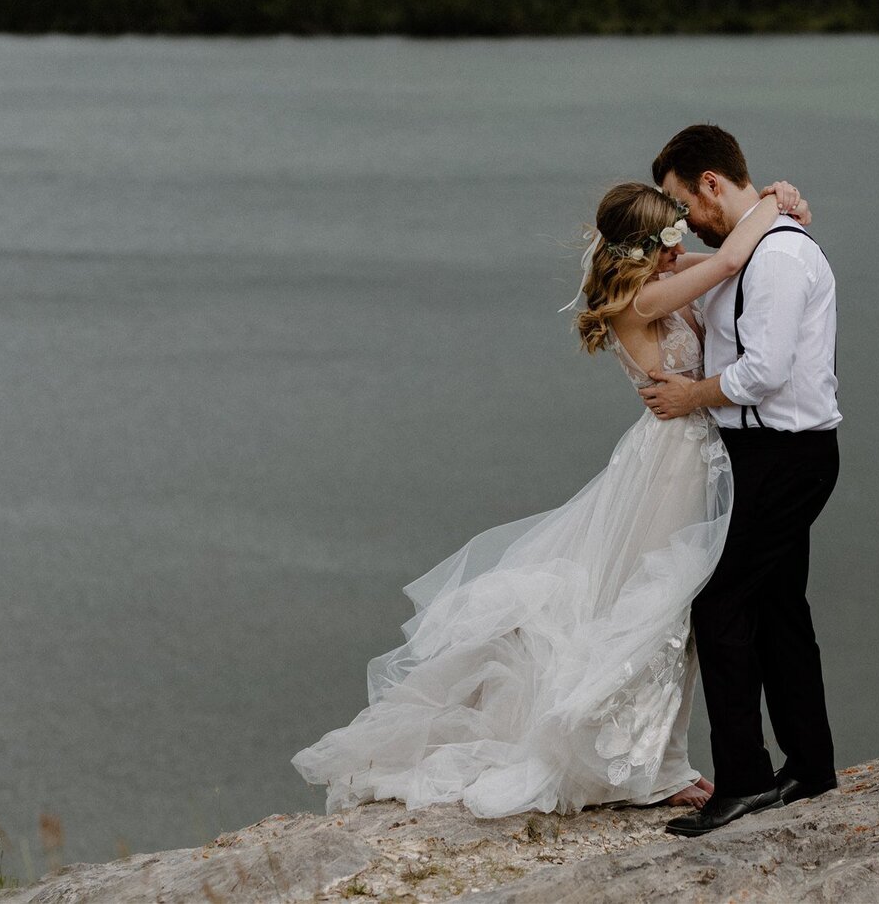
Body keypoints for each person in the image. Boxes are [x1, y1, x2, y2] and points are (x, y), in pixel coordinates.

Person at [290, 177, 811, 818]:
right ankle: (646, 767)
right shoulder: (640, 301)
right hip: (673, 465)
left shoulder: (653, 287)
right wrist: (771, 202)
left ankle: (659, 758)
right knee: (659, 612)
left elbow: (734, 258)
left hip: (689, 457)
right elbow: (732, 258)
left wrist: (771, 203)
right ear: (647, 253)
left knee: (671, 612)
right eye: (671, 245)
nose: (682, 254)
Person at [638, 124, 842, 837]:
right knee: (781, 607)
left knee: (721, 604)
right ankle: (811, 768)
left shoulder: (781, 256)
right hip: (764, 454)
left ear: (712, 185)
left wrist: (689, 397)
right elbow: (701, 267)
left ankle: (747, 781)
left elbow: (766, 372)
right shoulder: (759, 242)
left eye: (682, 201)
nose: (682, 218)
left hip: (787, 454)